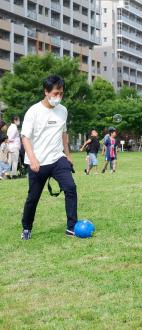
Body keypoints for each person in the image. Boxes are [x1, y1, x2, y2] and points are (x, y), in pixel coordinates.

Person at [19, 75, 77, 240]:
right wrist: (33, 159)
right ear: (46, 92)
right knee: (33, 198)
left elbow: (64, 134)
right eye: (56, 93)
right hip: (38, 161)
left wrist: (68, 155)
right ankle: (26, 228)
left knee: (70, 188)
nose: (59, 97)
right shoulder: (34, 111)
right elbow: (25, 137)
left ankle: (71, 228)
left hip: (57, 158)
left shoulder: (63, 110)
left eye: (61, 93)